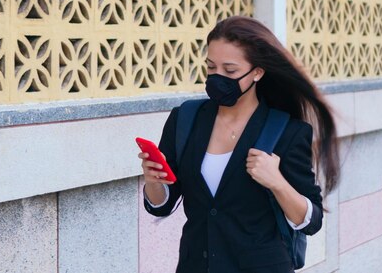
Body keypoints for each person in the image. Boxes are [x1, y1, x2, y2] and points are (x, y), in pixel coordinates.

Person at [139, 16, 339, 273]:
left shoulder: (285, 132)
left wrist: (277, 181)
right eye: (211, 68)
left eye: (230, 70)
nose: (217, 77)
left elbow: (311, 221)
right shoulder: (185, 119)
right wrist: (154, 182)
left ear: (257, 72)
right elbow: (162, 205)